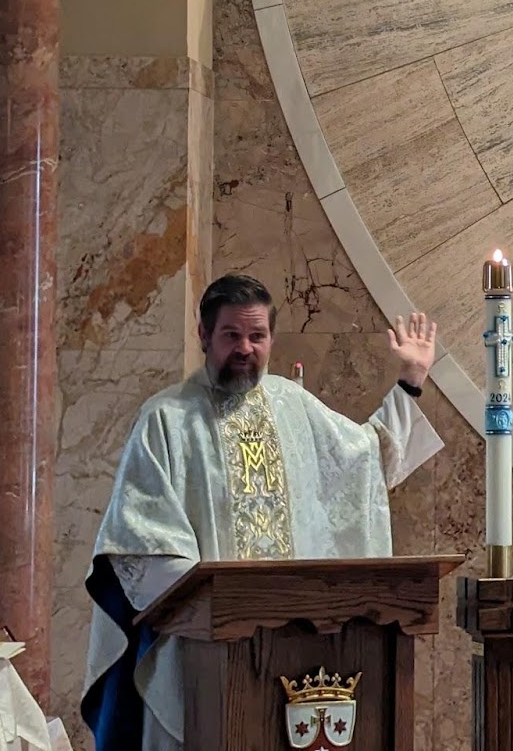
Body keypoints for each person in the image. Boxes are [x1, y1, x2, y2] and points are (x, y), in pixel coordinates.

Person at [79, 274, 445, 750]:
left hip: (296, 652)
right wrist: (214, 595)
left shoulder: (295, 407)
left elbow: (367, 460)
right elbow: (140, 539)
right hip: (201, 657)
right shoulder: (165, 420)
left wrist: (411, 381)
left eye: (257, 336)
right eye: (231, 334)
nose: (245, 348)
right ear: (204, 335)